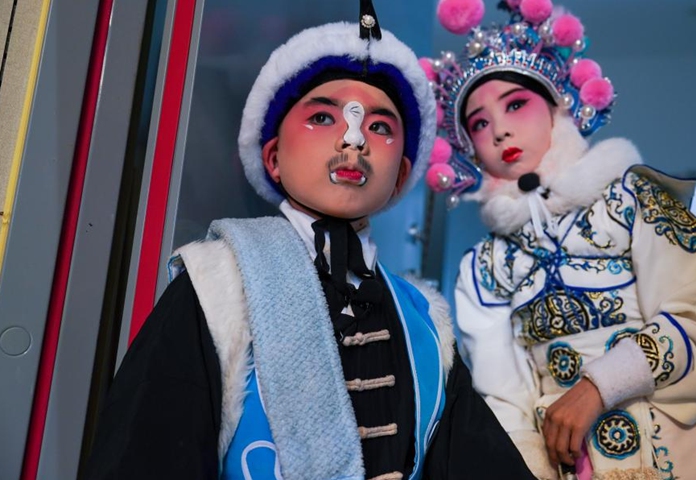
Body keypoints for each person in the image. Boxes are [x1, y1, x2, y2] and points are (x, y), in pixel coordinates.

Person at [84, 3, 535, 480]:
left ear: (401, 176)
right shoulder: (217, 283)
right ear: (274, 158)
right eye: (323, 119)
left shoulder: (424, 323)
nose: (353, 140)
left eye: (380, 127)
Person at [424, 0, 696, 479]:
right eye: (479, 122)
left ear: (558, 107)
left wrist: (598, 386)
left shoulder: (636, 200)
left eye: (516, 104)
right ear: (468, 147)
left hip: (682, 454)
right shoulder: (484, 267)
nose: (499, 130)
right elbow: (505, 401)